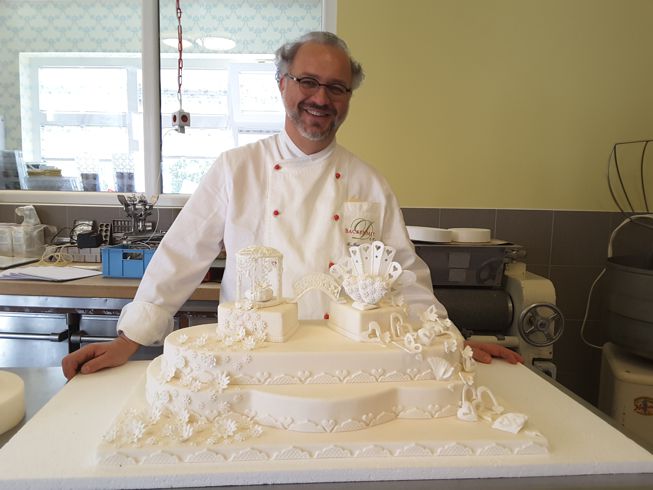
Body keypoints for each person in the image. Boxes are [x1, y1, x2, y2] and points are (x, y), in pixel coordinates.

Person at [62, 32, 521, 380]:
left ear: (349, 99)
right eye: (308, 82)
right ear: (282, 85)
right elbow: (180, 256)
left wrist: (451, 342)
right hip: (251, 364)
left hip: (347, 368)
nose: (321, 98)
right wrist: (129, 340)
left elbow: (405, 276)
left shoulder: (369, 182)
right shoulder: (237, 169)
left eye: (337, 88)